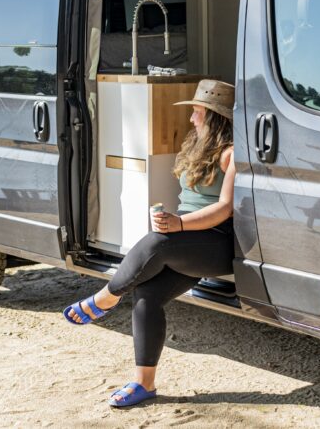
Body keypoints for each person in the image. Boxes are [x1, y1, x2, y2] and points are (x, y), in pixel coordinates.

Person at [63, 79, 237, 408]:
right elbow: (191, 202)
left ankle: (104, 299)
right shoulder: (197, 146)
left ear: (214, 118)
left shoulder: (231, 155)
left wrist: (180, 224)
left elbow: (225, 208)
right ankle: (144, 384)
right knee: (147, 294)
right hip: (188, 239)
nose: (191, 119)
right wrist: (173, 219)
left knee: (158, 243)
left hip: (217, 242)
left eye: (197, 112)